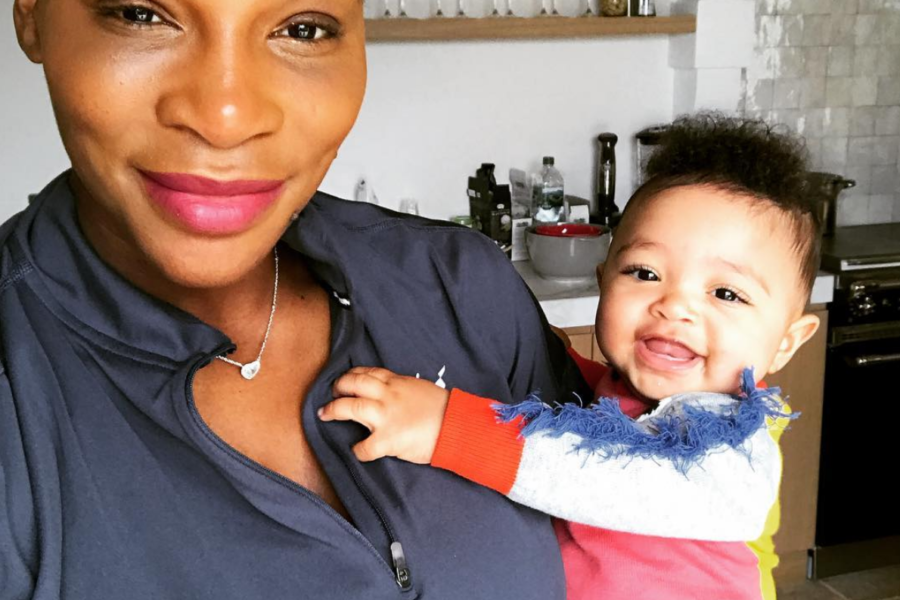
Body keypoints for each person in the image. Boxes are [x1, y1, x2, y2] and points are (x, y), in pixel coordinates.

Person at [0, 1, 591, 597]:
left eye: (303, 30)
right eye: (140, 14)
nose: (226, 119)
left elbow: (626, 530)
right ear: (31, 16)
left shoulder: (459, 287)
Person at [320, 115, 823, 600]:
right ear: (604, 281)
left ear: (787, 340)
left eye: (726, 293)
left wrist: (448, 428)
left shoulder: (735, 449)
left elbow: (610, 474)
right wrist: (553, 357)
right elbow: (614, 415)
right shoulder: (634, 391)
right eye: (645, 273)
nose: (675, 306)